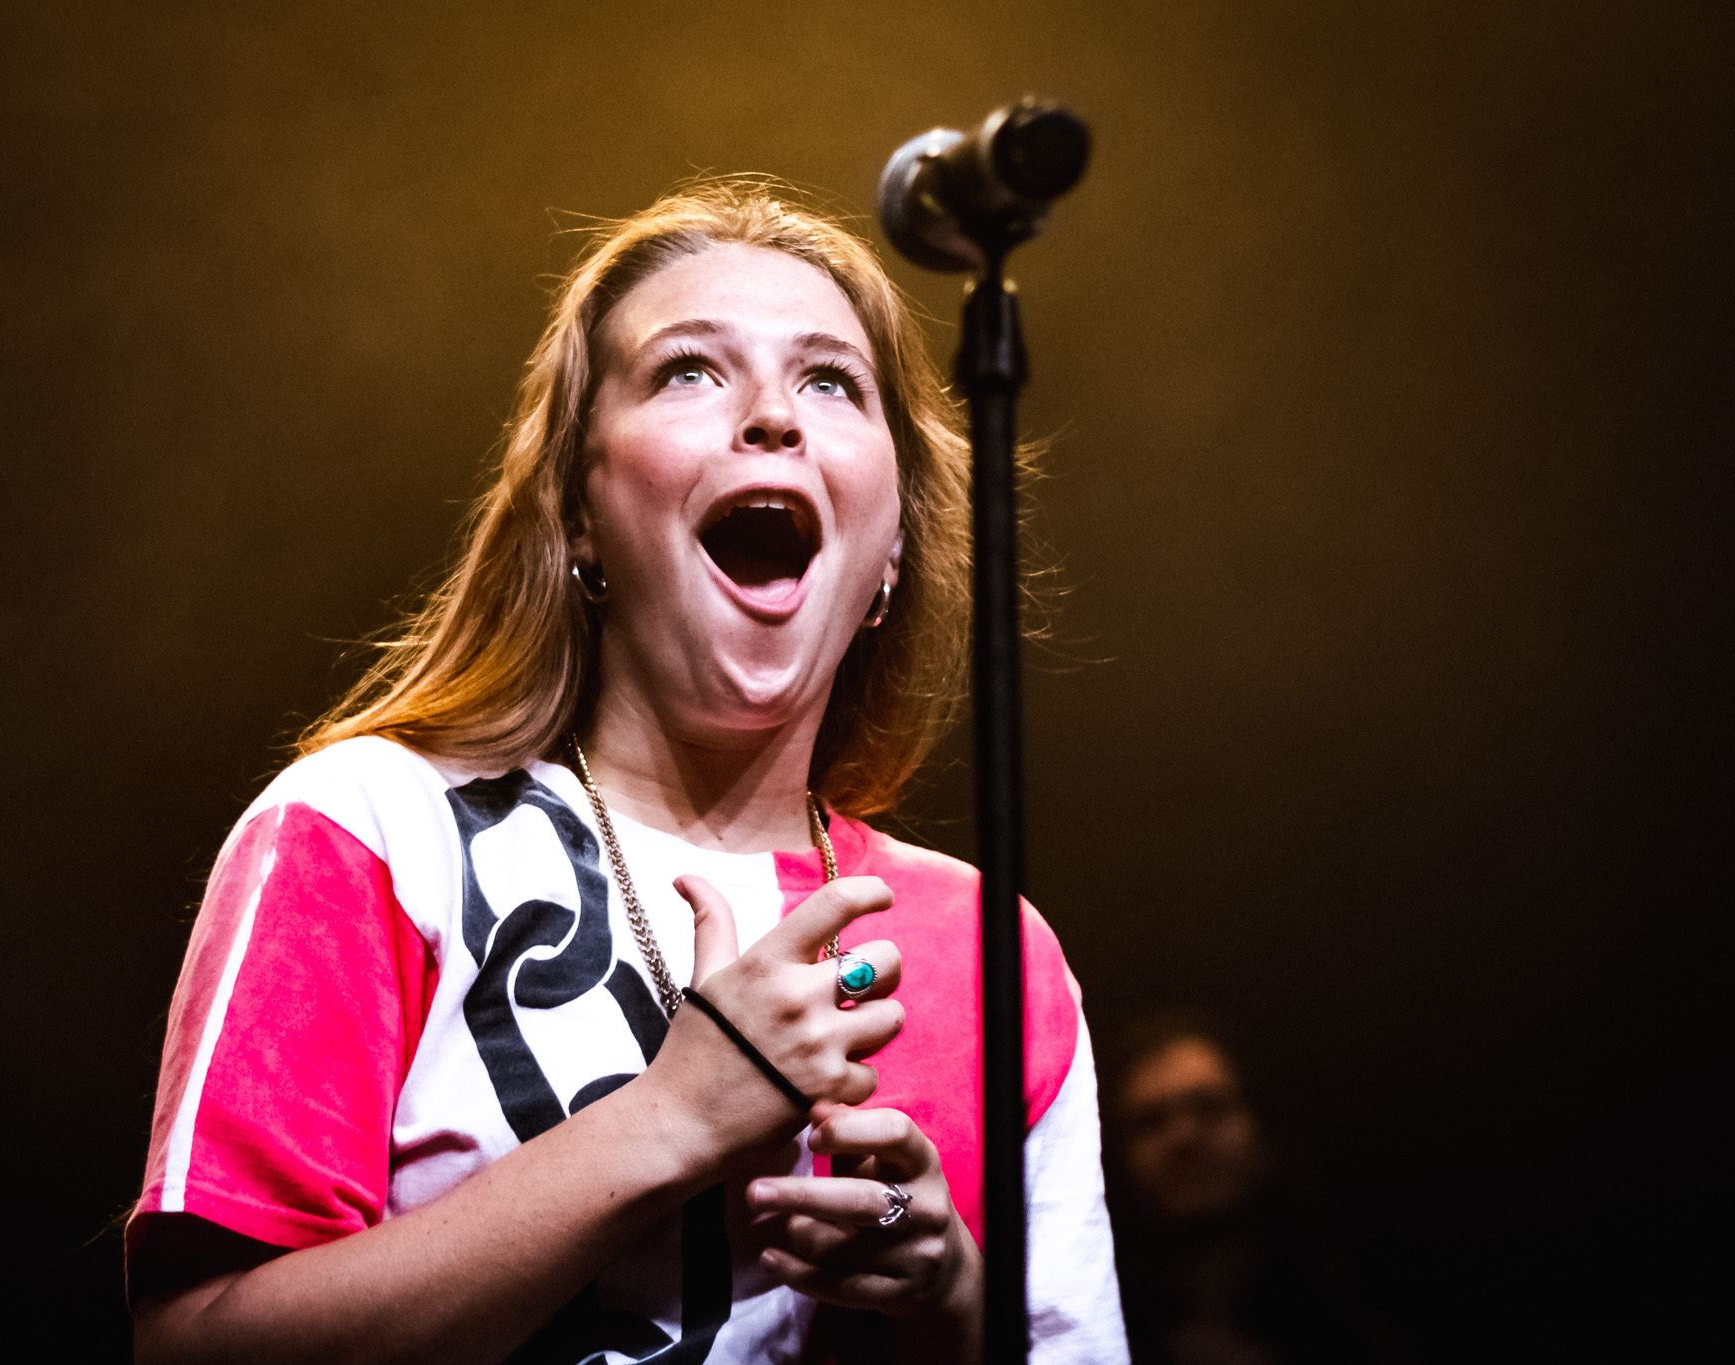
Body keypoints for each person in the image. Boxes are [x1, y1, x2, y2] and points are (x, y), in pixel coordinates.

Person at [126, 178, 1128, 1364]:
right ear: (577, 510)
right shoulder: (369, 829)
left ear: (893, 542)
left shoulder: (988, 953)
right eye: (688, 371)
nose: (771, 416)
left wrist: (950, 1302)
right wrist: (670, 1121)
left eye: (829, 381)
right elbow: (196, 1346)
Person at [1105, 1016, 1396, 1365]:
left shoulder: (1361, 1337)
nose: (1183, 1138)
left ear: (1268, 1134)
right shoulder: (1078, 1346)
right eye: (1150, 1121)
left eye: (1210, 1108)